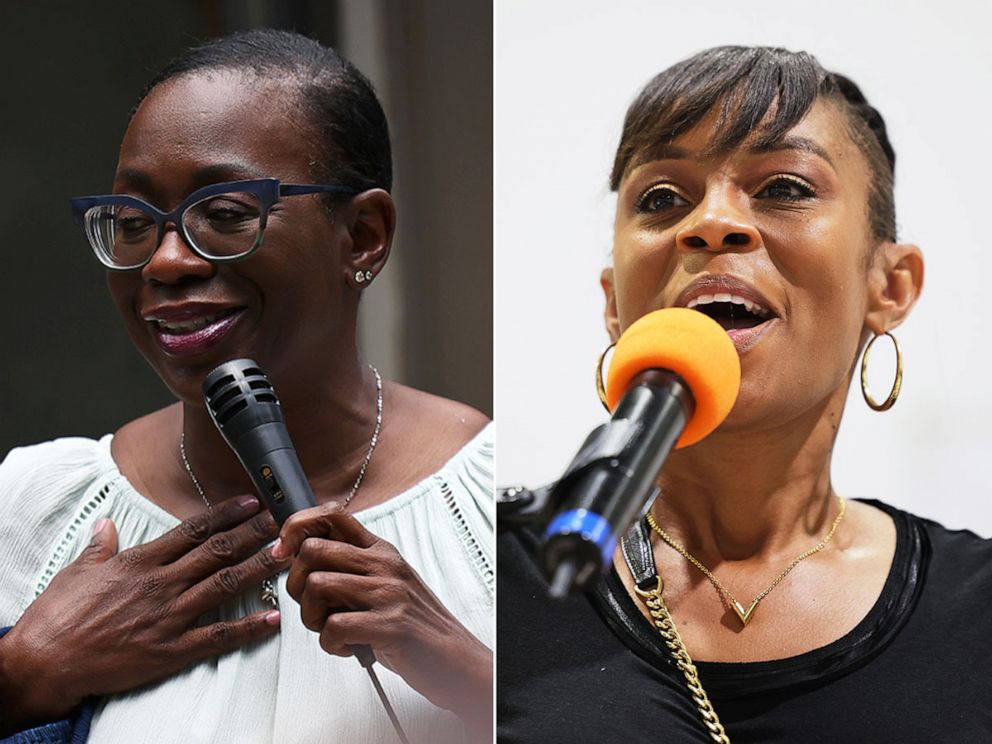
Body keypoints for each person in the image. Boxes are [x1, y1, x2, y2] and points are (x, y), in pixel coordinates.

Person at [0, 29, 493, 744]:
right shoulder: (37, 506)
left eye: (225, 216)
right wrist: (26, 672)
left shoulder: (503, 511)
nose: (166, 262)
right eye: (135, 223)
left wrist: (466, 671)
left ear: (362, 236)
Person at [498, 46, 992, 742]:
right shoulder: (488, 581)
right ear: (615, 303)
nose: (710, 223)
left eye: (785, 187)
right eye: (662, 199)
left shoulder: (977, 614)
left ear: (891, 286)